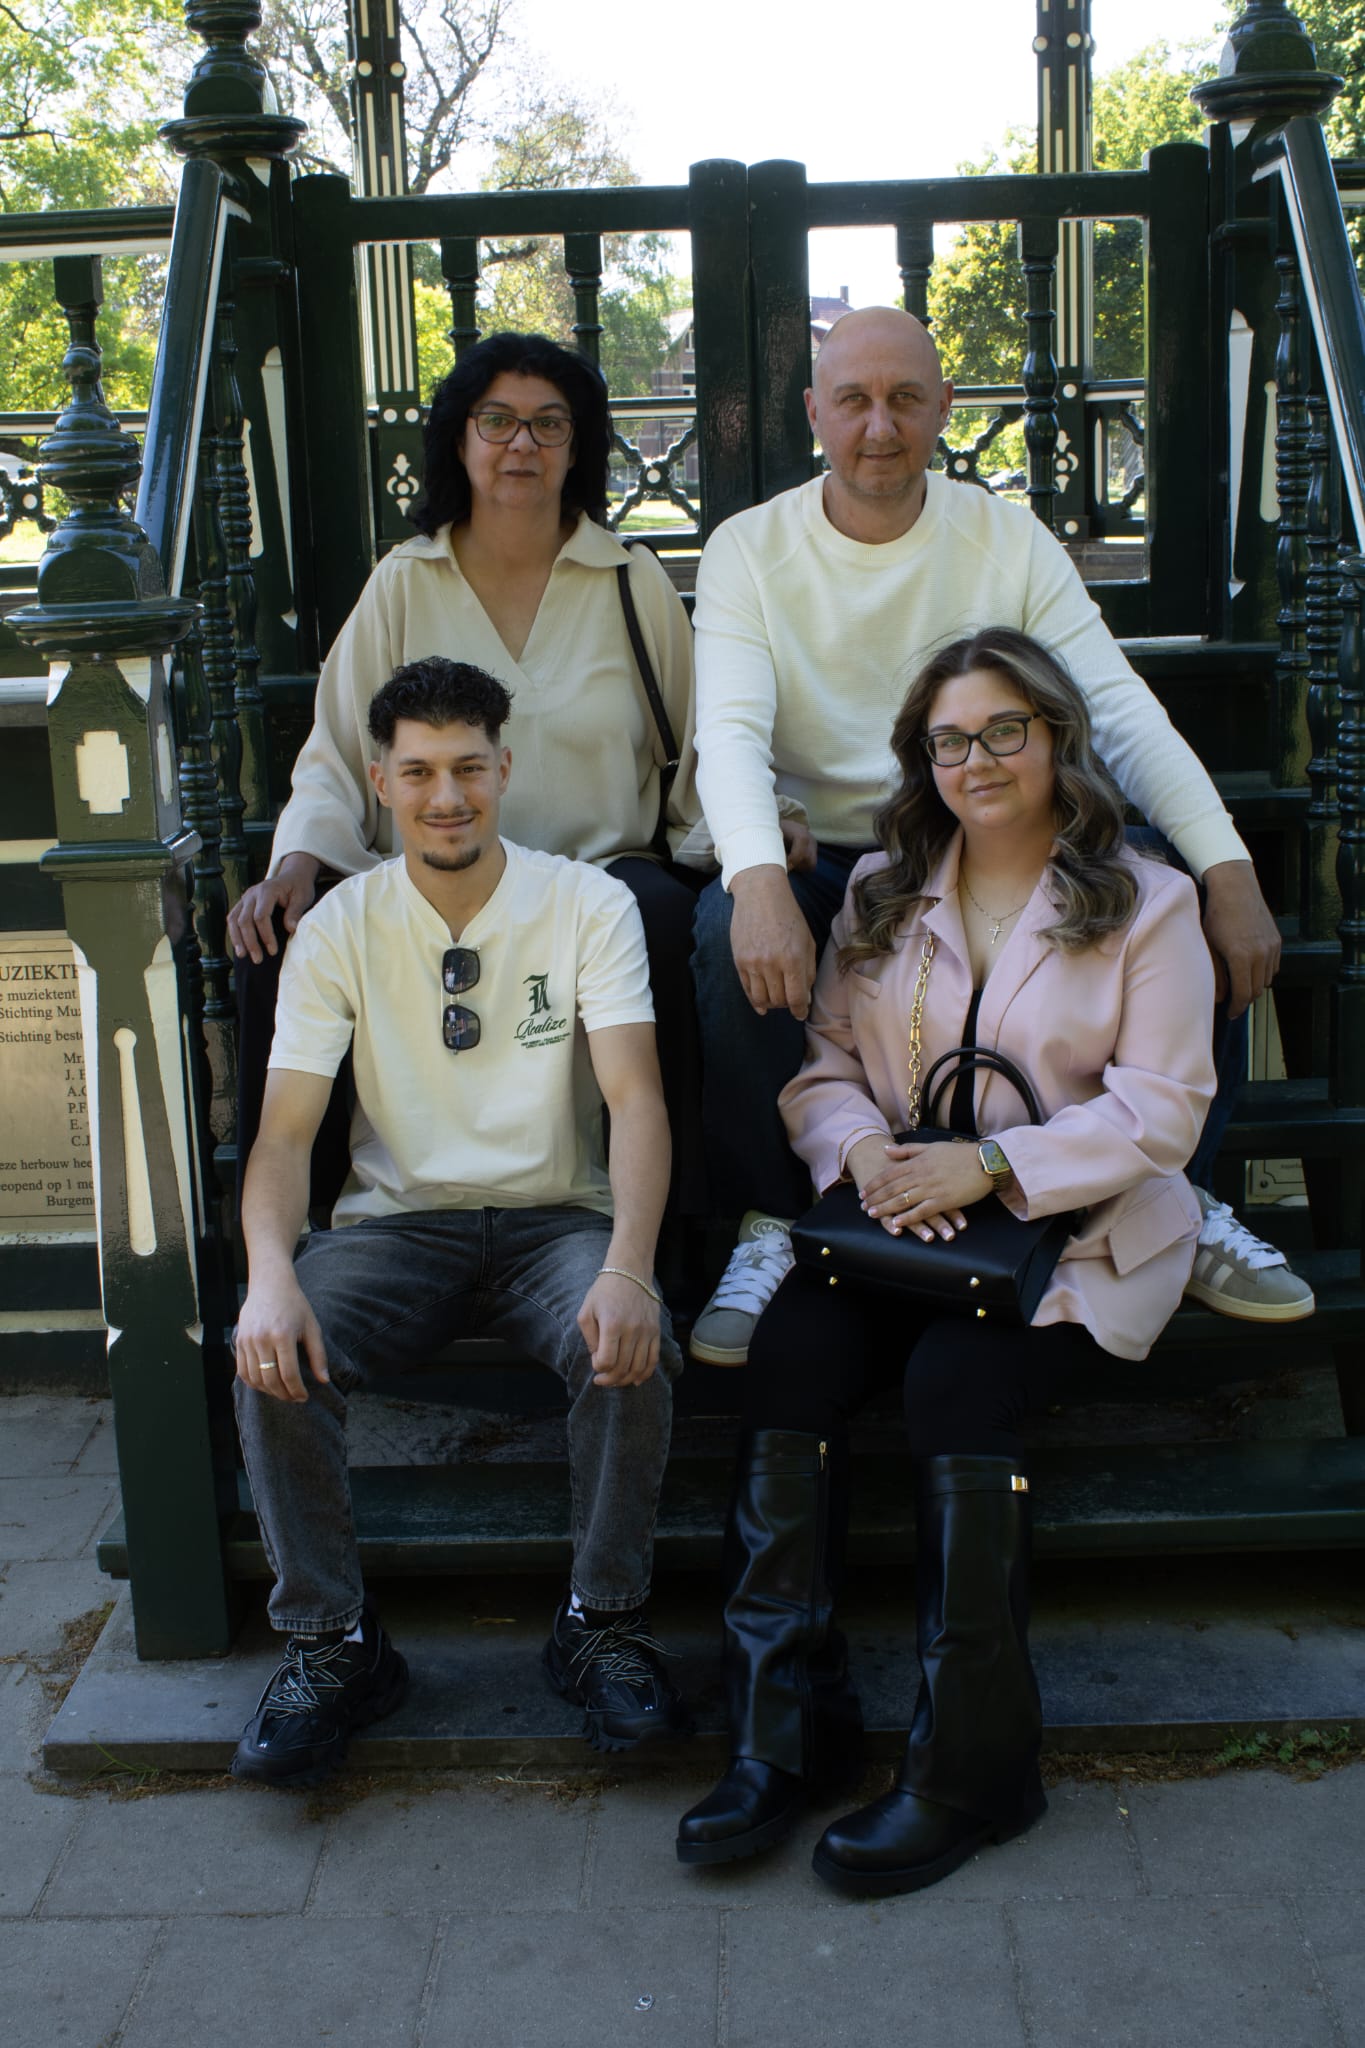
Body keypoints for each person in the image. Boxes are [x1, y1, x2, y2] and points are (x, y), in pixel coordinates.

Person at [676, 628, 1216, 1893]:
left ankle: (977, 1762)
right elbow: (821, 1068)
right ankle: (782, 1730)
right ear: (924, 759)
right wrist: (862, 1152)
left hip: (1071, 1230)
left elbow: (1166, 1106)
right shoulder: (880, 890)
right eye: (951, 739)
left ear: (1057, 740)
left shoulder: (1149, 898)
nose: (978, 758)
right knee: (789, 1351)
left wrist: (993, 1166)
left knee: (953, 1386)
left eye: (1004, 731)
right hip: (902, 1224)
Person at [687, 304, 1310, 1365]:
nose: (878, 426)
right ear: (813, 413)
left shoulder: (1003, 534)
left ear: (944, 408)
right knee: (716, 926)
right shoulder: (752, 547)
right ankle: (771, 1220)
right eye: (853, 400)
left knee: (1179, 886)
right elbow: (731, 732)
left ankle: (1180, 1197)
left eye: (905, 399)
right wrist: (752, 882)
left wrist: (1228, 865)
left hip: (991, 828)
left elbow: (1112, 705)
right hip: (840, 849)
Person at [230, 657, 690, 1787]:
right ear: (381, 779)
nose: (448, 796)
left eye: (469, 767)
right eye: (421, 770)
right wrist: (269, 1275)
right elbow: (286, 1135)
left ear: (504, 767)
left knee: (630, 1339)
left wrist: (630, 1265)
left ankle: (602, 1620)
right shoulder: (340, 924)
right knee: (272, 1350)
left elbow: (636, 1097)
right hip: (397, 1226)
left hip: (553, 1218)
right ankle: (333, 1643)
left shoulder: (587, 900)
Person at [228, 331, 709, 1226]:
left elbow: (695, 739)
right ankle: (300, 1236)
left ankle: (660, 1242)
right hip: (427, 882)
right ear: (459, 438)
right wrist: (297, 861)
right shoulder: (406, 581)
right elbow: (337, 749)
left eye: (548, 424)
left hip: (600, 883)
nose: (521, 444)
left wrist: (760, 835)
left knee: (670, 926)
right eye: (497, 421)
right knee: (278, 950)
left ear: (578, 445)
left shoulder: (628, 580)